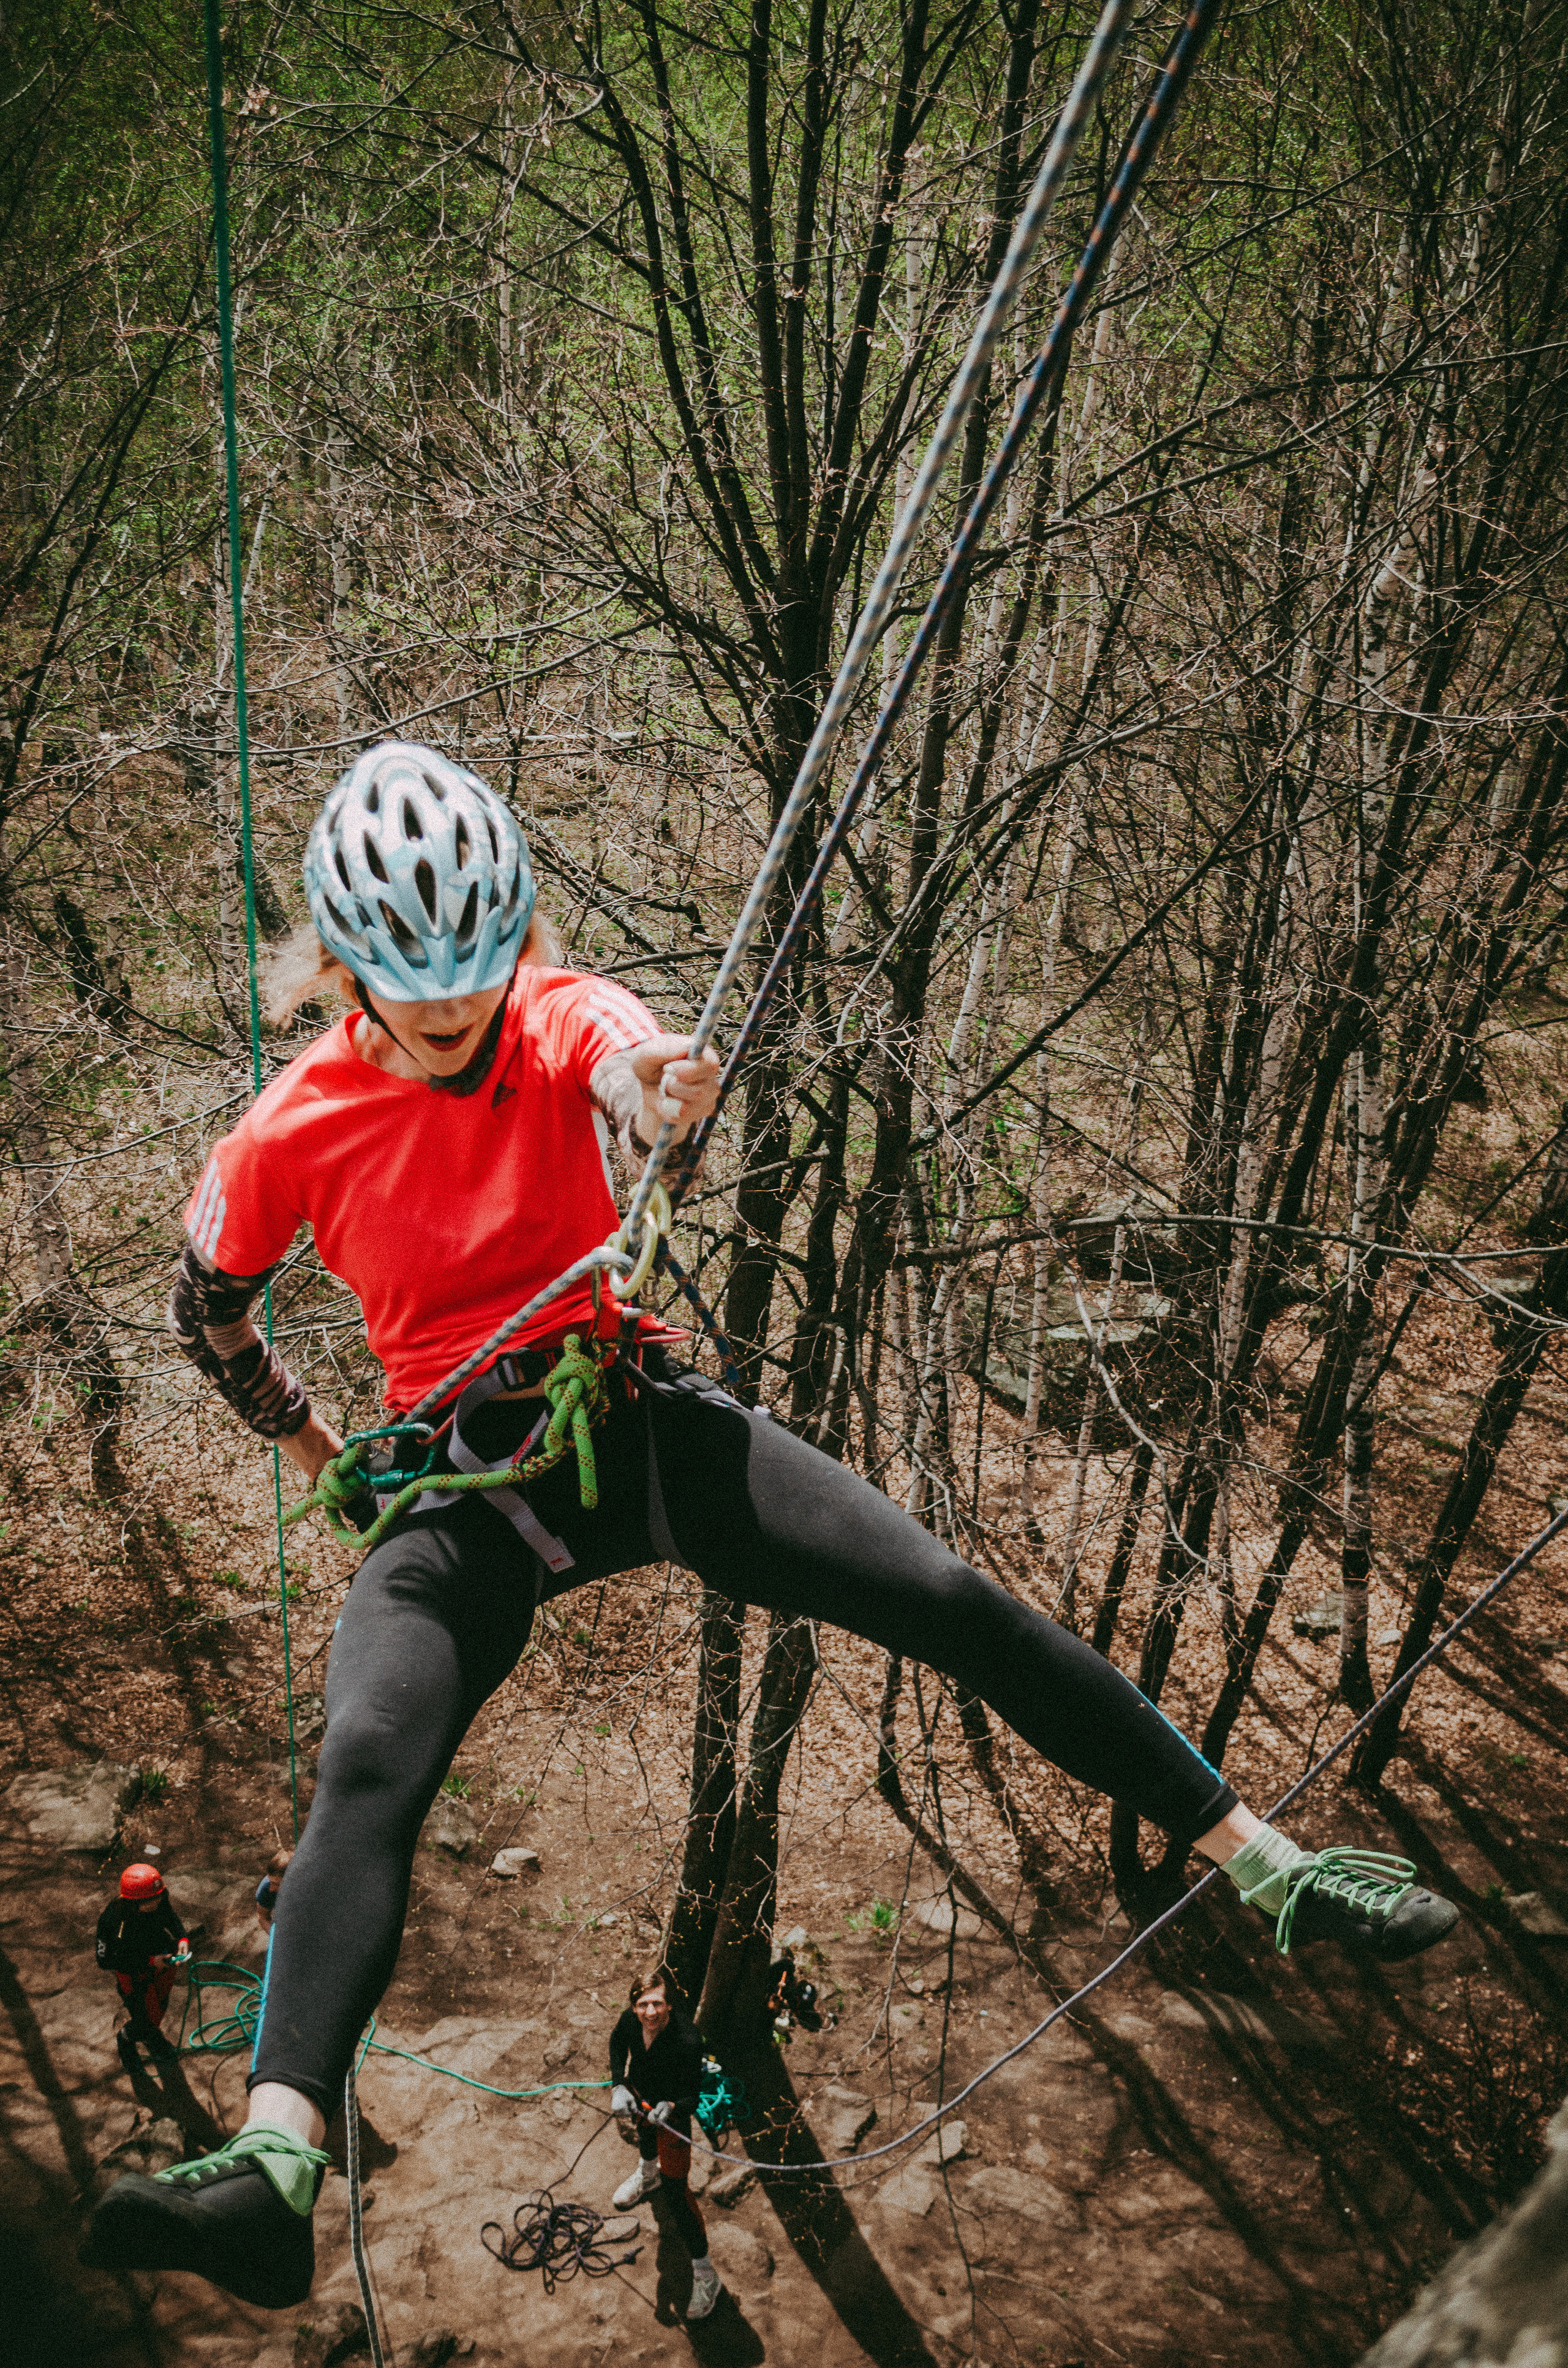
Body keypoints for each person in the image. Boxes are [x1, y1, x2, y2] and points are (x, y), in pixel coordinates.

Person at [85, 741, 1457, 2312]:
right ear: (348, 973)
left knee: (944, 1594)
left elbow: (617, 1052)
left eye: (481, 983)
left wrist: (661, 1084)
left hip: (626, 1421)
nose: (461, 1023)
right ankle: (272, 2158)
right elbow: (211, 1308)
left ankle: (1267, 1866)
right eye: (425, 1001)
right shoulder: (286, 1130)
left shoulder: (550, 1018)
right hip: (459, 1489)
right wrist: (331, 1450)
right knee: (368, 1757)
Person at [609, 1969, 721, 2319]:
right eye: (643, 2004)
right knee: (643, 2139)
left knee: (676, 2194)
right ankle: (647, 2175)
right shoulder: (630, 2022)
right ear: (634, 2006)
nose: (651, 2012)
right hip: (641, 2097)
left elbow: (693, 2094)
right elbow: (616, 2043)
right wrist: (618, 2085)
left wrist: (672, 2107)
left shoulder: (688, 2039)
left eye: (658, 2004)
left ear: (669, 2006)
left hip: (672, 2117)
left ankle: (706, 2273)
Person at [97, 1863, 190, 2070]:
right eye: (152, 1901)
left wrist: (182, 1939)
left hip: (164, 1961)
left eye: (159, 1897)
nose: (158, 1903)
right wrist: (148, 1962)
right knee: (145, 2016)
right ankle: (126, 2038)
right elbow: (104, 1961)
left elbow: (170, 1917)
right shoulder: (112, 1920)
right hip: (134, 1972)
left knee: (161, 2005)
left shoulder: (158, 1897)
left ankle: (152, 2035)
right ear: (133, 1901)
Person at [255, 1848, 293, 1932]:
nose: (271, 1889)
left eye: (277, 1884)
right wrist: (277, 1939)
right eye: (271, 1881)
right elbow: (262, 1917)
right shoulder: (267, 1887)